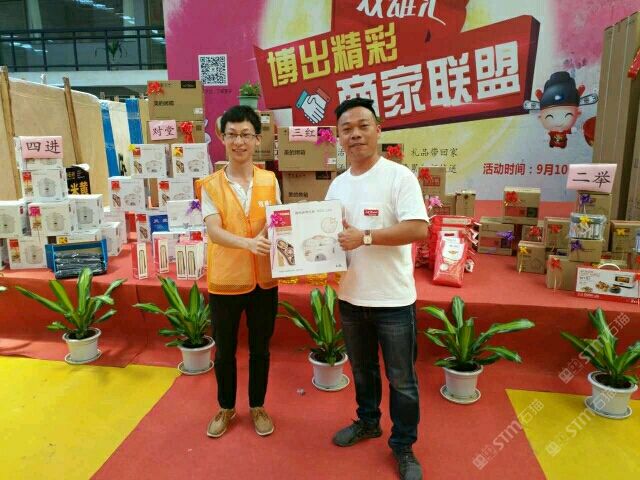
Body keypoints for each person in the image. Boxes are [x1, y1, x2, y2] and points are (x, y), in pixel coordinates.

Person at [325, 97, 428, 480]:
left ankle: (403, 446)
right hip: (351, 296)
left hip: (393, 300)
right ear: (338, 137)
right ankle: (368, 422)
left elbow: (418, 228)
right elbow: (327, 236)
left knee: (402, 379)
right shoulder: (337, 185)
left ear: (378, 130)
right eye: (346, 129)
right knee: (363, 370)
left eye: (362, 126)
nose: (355, 135)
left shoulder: (399, 177)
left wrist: (365, 237)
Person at [200, 105, 282, 438]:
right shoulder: (210, 185)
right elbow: (214, 231)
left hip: (265, 280)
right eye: (232, 134)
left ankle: (258, 405)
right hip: (226, 281)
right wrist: (248, 243)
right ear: (222, 138)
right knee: (225, 350)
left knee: (261, 348)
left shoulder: (270, 180)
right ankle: (226, 407)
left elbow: (278, 221)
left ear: (257, 139)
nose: (239, 141)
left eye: (246, 134)